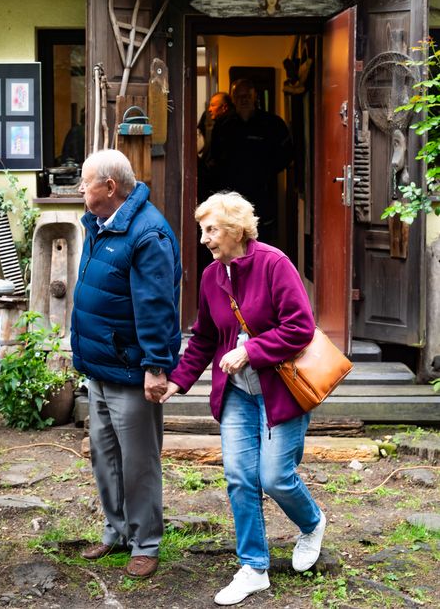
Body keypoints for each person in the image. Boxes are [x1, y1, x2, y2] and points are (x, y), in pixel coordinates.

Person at [161, 192, 326, 606]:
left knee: (275, 477)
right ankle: (254, 566)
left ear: (235, 229)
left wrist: (251, 350)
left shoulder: (274, 264)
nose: (204, 239)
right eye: (203, 231)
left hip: (280, 392)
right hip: (237, 394)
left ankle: (312, 523)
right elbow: (204, 337)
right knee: (239, 477)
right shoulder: (212, 276)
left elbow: (300, 327)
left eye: (211, 230)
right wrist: (178, 382)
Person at [70, 149, 182, 579]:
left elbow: (156, 305)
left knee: (138, 462)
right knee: (104, 456)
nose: (81, 189)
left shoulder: (147, 233)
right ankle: (115, 530)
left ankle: (146, 541)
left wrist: (156, 365)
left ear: (109, 187)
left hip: (132, 369)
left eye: (85, 182)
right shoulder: (100, 224)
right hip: (100, 366)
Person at [210, 78, 293, 243]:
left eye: (247, 95)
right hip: (231, 202)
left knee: (261, 245)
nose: (244, 100)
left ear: (255, 97)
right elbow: (214, 159)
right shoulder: (223, 125)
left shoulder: (272, 124)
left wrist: (265, 171)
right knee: (232, 245)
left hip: (262, 199)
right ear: (233, 99)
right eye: (239, 96)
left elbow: (287, 155)